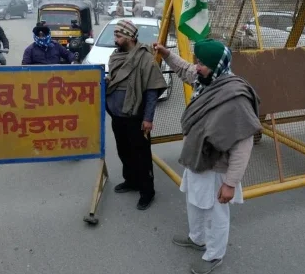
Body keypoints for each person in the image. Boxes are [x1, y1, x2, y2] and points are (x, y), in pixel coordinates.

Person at [153, 39, 261, 274]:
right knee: (194, 201)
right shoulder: (207, 80)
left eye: (201, 63)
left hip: (217, 167)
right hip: (197, 159)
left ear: (217, 64)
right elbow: (183, 69)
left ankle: (214, 255)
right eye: (197, 61)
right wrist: (166, 53)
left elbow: (243, 145)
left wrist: (230, 183)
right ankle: (197, 238)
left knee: (215, 212)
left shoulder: (235, 98)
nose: (196, 66)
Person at [106, 19, 167, 210]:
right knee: (123, 152)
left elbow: (151, 91)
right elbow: (113, 80)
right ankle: (131, 181)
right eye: (115, 34)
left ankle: (147, 192)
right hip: (117, 116)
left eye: (119, 35)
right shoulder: (116, 55)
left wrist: (148, 119)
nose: (115, 38)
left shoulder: (145, 58)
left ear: (130, 37)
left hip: (136, 118)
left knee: (141, 156)